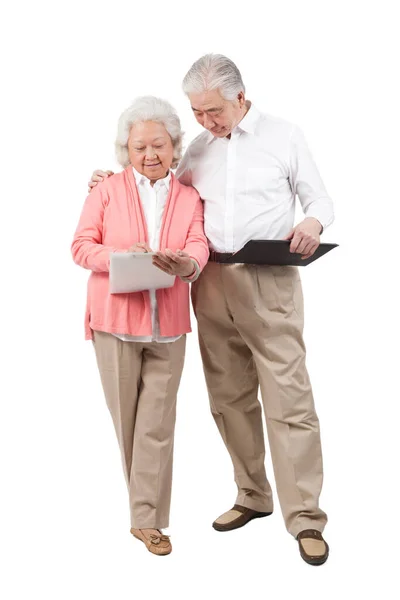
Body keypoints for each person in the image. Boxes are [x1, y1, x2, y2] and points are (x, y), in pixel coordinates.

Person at [88, 54, 334, 566]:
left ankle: (306, 517)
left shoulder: (285, 136)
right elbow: (153, 180)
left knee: (289, 398)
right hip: (206, 281)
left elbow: (319, 202)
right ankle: (252, 494)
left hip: (269, 278)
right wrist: (104, 181)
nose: (206, 121)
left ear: (241, 97)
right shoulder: (196, 149)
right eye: (197, 112)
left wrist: (312, 223)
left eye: (213, 110)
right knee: (229, 396)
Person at [71, 96, 209, 556]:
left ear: (174, 146)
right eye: (138, 147)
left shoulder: (190, 196)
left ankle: (145, 519)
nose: (149, 155)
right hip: (114, 324)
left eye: (159, 145)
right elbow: (80, 246)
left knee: (156, 425)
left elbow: (197, 244)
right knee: (128, 423)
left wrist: (187, 264)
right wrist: (118, 259)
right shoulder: (106, 190)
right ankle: (143, 512)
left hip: (168, 325)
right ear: (124, 150)